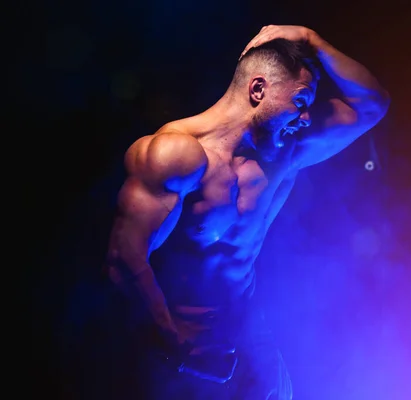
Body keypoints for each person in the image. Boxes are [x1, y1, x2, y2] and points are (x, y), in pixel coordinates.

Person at [102, 24, 390, 399]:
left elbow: (372, 105)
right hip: (182, 337)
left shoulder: (284, 153)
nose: (306, 118)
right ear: (258, 90)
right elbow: (123, 261)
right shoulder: (178, 155)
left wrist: (310, 38)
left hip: (250, 332)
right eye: (301, 102)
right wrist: (178, 349)